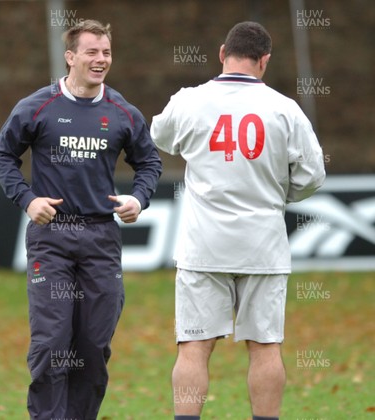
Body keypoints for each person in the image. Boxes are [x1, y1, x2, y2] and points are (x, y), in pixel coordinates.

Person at [151, 22, 325, 420]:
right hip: (262, 245)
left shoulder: (189, 101)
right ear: (265, 60)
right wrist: (279, 193)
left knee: (193, 347)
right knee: (265, 346)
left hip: (203, 246)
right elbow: (313, 174)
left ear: (221, 52)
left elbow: (158, 136)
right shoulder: (285, 109)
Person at [0, 19, 161, 419]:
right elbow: (3, 157)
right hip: (51, 239)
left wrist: (139, 197)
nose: (100, 60)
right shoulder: (37, 107)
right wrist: (29, 200)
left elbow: (149, 161)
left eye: (106, 53)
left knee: (93, 347)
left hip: (101, 239)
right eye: (91, 52)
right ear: (70, 57)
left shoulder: (123, 112)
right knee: (52, 344)